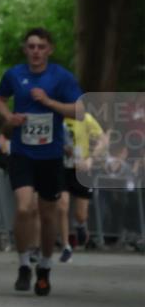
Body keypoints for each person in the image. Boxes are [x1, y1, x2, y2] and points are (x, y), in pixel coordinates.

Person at [0, 27, 83, 296]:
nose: (35, 51)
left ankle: (44, 267)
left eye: (41, 46)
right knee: (23, 209)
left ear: (49, 50)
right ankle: (23, 265)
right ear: (25, 49)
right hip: (22, 153)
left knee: (48, 215)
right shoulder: (14, 75)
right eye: (31, 46)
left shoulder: (61, 77)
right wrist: (9, 116)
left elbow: (79, 110)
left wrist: (49, 101)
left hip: (51, 156)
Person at [57, 111, 105, 261]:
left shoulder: (86, 118)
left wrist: (91, 159)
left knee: (80, 214)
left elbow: (103, 140)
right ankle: (66, 246)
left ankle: (81, 225)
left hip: (81, 169)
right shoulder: (56, 117)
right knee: (62, 206)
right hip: (61, 167)